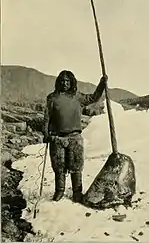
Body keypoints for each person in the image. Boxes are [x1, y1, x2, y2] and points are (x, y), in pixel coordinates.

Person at [43, 70, 108, 203]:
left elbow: (94, 98)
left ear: (72, 82)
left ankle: (77, 193)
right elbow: (46, 118)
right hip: (57, 138)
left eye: (67, 80)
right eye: (62, 80)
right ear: (58, 82)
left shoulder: (77, 97)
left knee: (76, 166)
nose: (64, 83)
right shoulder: (52, 98)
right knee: (59, 167)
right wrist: (46, 134)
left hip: (75, 137)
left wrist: (102, 84)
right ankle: (59, 191)